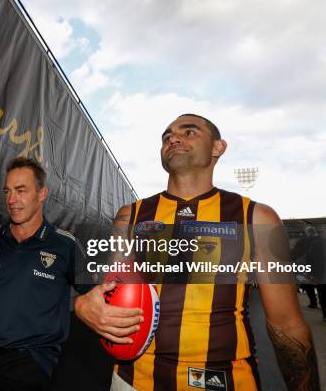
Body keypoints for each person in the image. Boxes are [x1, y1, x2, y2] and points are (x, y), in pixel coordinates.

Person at [72, 114, 319, 390]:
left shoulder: (257, 218)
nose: (173, 138)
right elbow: (110, 292)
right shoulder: (130, 215)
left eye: (189, 132)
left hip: (223, 381)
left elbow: (286, 324)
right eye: (166, 136)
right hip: (132, 379)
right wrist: (83, 305)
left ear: (218, 147)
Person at [0, 157, 89, 391]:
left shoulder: (65, 244)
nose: (11, 200)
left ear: (42, 194)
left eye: (21, 191)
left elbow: (95, 291)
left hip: (30, 364)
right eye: (7, 191)